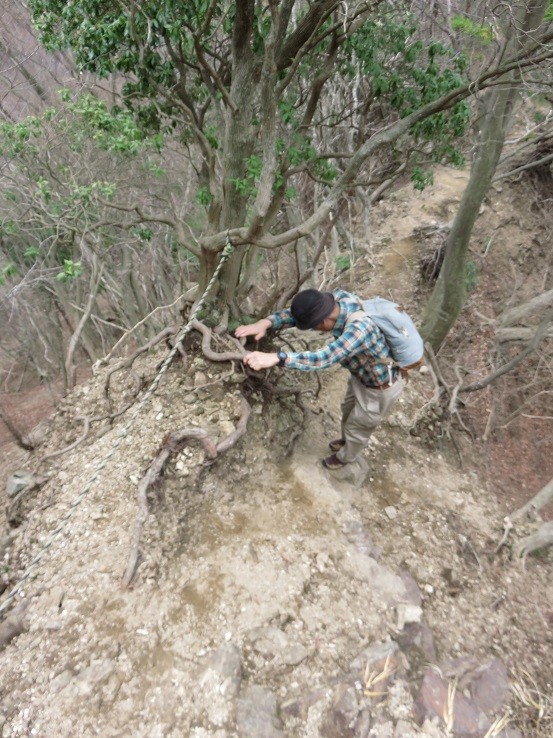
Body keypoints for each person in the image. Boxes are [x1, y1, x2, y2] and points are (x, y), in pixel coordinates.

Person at [235, 288, 404, 469]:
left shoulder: (359, 330)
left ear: (323, 322)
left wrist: (278, 357)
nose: (314, 330)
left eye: (313, 327)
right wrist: (266, 322)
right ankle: (347, 439)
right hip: (361, 377)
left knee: (360, 425)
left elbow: (324, 358)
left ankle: (346, 457)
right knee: (348, 411)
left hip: (379, 388)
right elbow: (297, 314)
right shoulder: (337, 300)